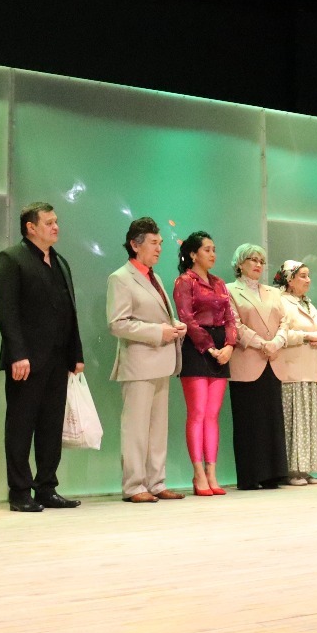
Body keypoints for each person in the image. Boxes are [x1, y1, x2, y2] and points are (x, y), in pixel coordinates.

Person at [0, 202, 85, 512]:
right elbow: (6, 311)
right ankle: (19, 491)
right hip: (26, 361)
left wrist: (76, 353)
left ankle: (46, 487)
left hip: (58, 359)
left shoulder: (61, 262)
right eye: (48, 222)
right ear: (30, 227)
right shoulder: (11, 258)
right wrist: (17, 354)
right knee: (21, 426)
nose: (56, 227)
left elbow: (70, 311)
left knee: (50, 427)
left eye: (56, 221)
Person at [106, 216, 186, 504]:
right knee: (136, 428)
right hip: (139, 363)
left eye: (160, 243)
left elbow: (157, 315)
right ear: (135, 244)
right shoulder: (120, 278)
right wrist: (159, 332)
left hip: (161, 360)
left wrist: (174, 325)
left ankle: (156, 482)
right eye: (153, 243)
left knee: (157, 428)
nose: (159, 248)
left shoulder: (155, 277)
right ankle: (134, 485)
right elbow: (118, 323)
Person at [172, 231, 235, 497]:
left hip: (221, 347)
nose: (212, 254)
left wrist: (229, 345)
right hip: (196, 347)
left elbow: (230, 317)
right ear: (193, 254)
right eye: (207, 249)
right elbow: (186, 318)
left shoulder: (219, 283)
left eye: (214, 249)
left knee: (212, 414)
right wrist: (209, 347)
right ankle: (198, 473)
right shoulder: (185, 281)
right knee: (197, 412)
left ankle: (212, 472)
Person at [225, 243, 290, 491]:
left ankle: (273, 474)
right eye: (252, 260)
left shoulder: (273, 292)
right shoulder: (230, 290)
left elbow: (285, 322)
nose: (258, 265)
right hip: (247, 359)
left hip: (272, 359)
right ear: (239, 263)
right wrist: (262, 343)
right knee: (249, 421)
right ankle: (251, 475)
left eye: (261, 261)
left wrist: (277, 342)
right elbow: (234, 323)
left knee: (272, 418)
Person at [273, 260, 317, 485]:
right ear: (290, 279)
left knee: (309, 421)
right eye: (303, 276)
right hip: (293, 370)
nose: (308, 280)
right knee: (295, 421)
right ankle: (291, 470)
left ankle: (305, 468)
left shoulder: (308, 303)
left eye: (308, 275)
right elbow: (280, 334)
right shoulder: (281, 301)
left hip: (313, 369)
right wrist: (305, 337)